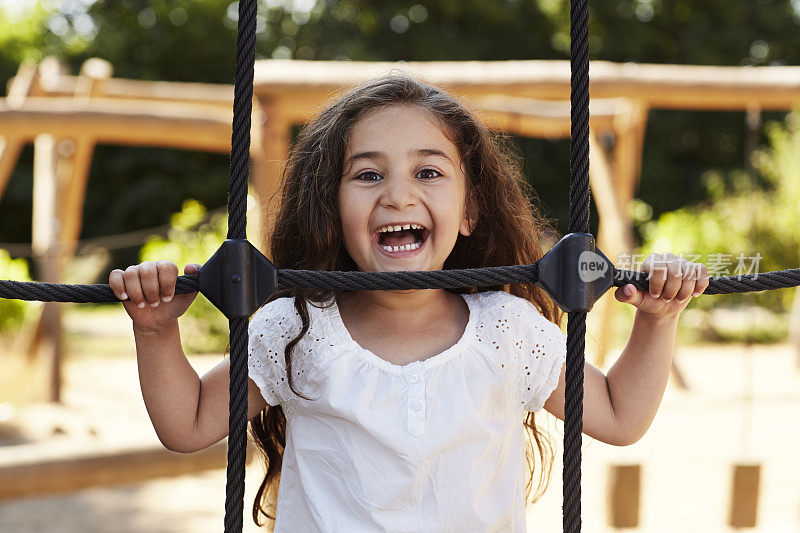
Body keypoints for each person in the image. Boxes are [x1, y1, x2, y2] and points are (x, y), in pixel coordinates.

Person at [108, 74, 709, 532]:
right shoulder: (296, 327)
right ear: (330, 209)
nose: (398, 195)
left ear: (470, 210)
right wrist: (157, 332)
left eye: (429, 173)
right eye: (368, 175)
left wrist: (657, 322)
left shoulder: (506, 328)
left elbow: (619, 415)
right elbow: (187, 425)